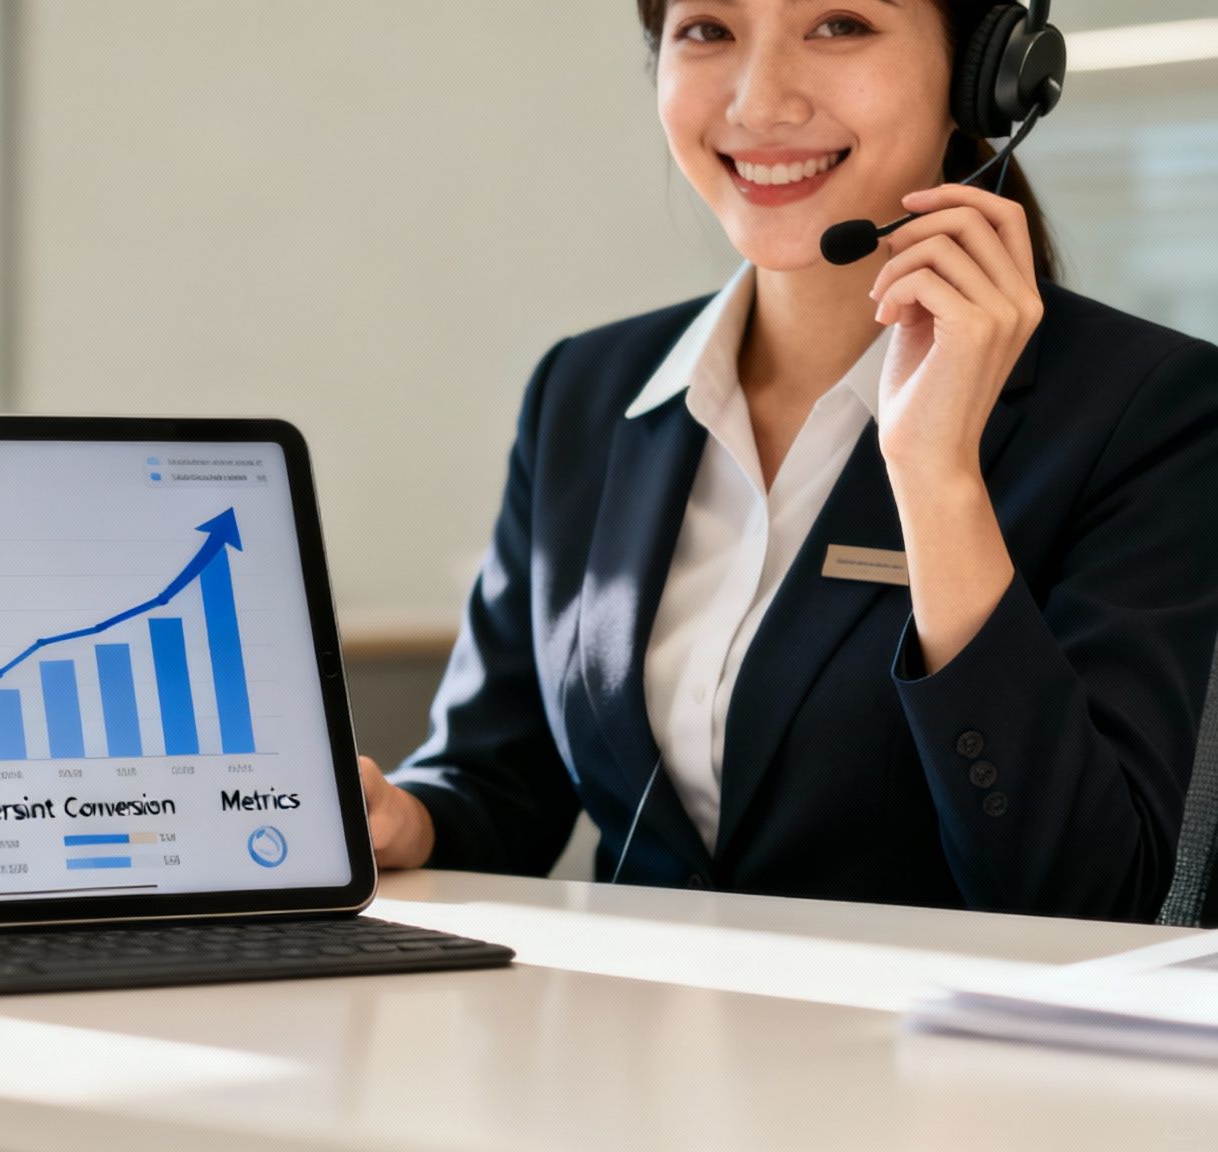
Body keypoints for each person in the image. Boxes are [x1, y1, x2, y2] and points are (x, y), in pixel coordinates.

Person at [359, 0, 1218, 920]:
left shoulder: (1154, 408)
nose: (760, 102)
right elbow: (499, 785)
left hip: (942, 1056)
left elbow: (1090, 893)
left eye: (840, 23)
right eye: (707, 30)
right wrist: (405, 818)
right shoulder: (587, 389)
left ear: (984, 73)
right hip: (625, 1047)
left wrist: (936, 476)